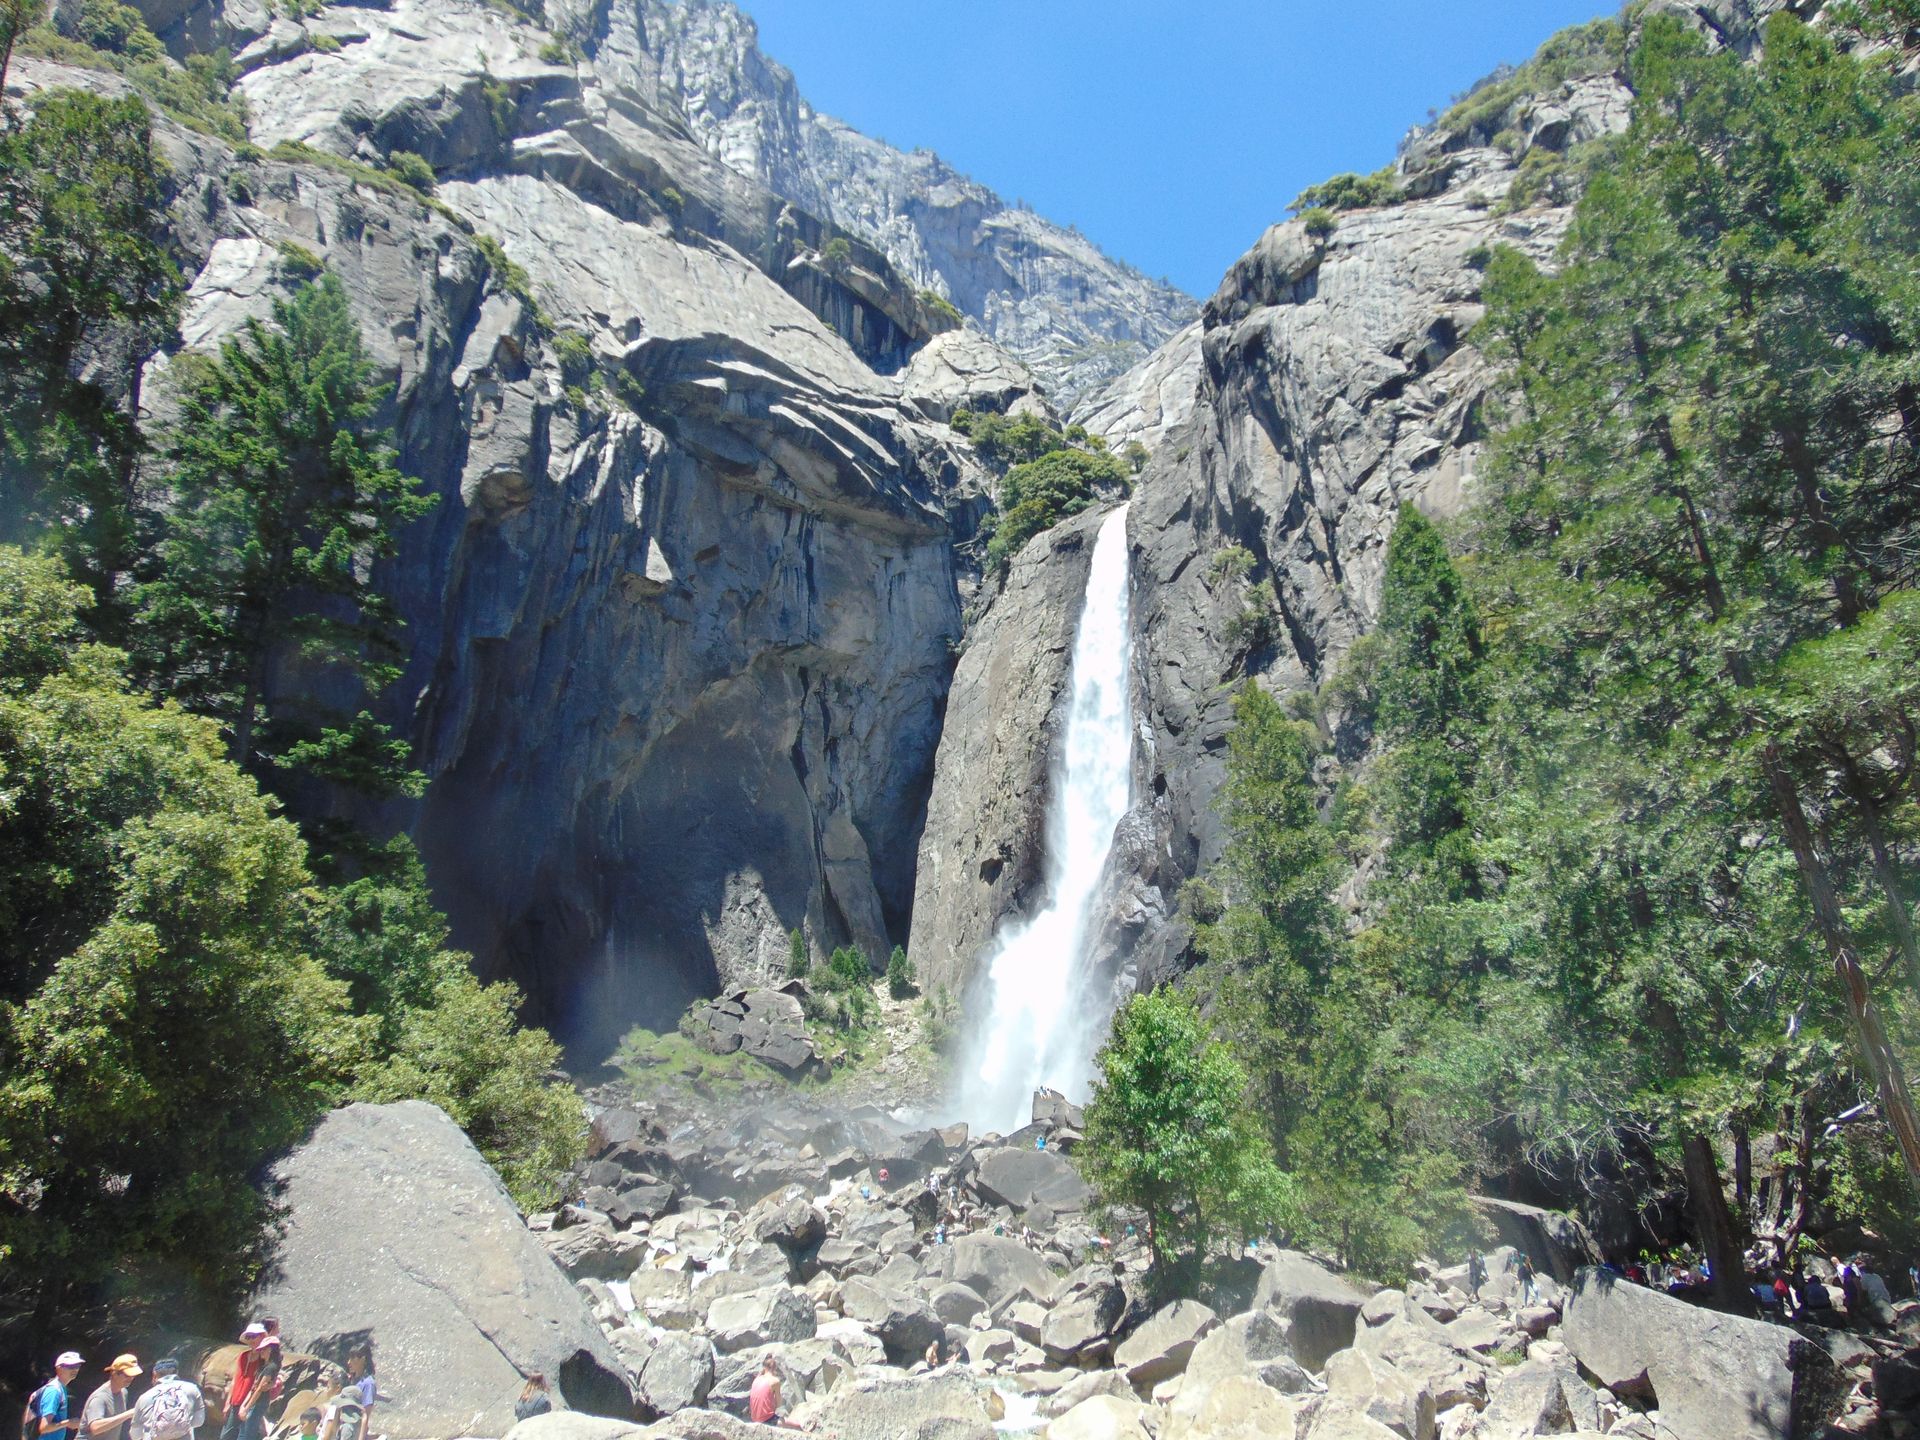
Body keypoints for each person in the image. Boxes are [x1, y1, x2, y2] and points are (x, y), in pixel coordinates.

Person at [131, 1359, 205, 1440]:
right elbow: (199, 1421)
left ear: (154, 1374)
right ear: (176, 1372)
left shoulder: (144, 1397)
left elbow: (135, 1435)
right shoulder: (192, 1389)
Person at [81, 1357, 142, 1438]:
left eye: (133, 1375)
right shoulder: (99, 1398)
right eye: (127, 1375)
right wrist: (128, 1414)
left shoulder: (124, 1392)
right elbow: (95, 1428)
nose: (131, 1378)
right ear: (114, 1373)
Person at [31, 1352, 85, 1440]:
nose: (75, 1370)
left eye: (77, 1366)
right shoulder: (54, 1391)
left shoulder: (61, 1388)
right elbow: (44, 1427)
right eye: (70, 1366)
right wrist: (68, 1423)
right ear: (59, 1368)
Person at [746, 1356, 802, 1430]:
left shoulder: (756, 1379)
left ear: (764, 1367)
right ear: (775, 1369)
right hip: (768, 1420)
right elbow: (778, 1404)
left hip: (754, 1419)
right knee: (797, 1426)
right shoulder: (775, 1381)